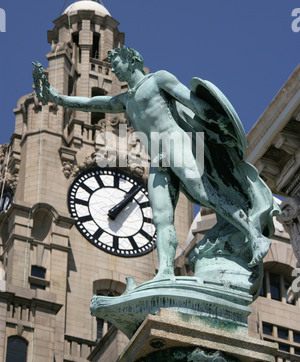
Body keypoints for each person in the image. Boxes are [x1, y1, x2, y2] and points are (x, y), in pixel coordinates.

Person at [32, 46, 279, 280]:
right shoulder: (124, 101)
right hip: (158, 160)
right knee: (161, 216)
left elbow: (191, 100)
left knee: (204, 192)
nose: (114, 70)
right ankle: (165, 273)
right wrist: (56, 97)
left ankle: (254, 236)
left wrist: (215, 121)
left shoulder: (158, 79)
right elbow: (90, 103)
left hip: (176, 144)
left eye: (117, 64)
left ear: (132, 60)